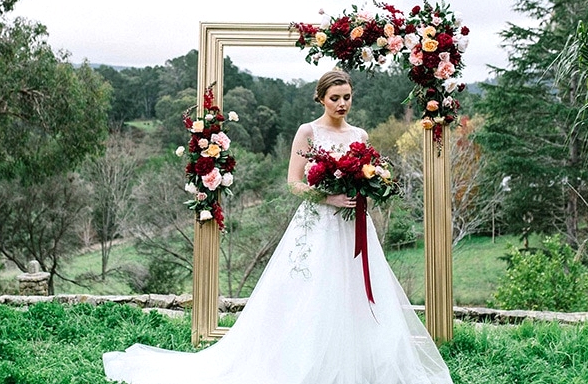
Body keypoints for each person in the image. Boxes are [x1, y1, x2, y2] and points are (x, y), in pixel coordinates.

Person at [103, 69, 454, 384]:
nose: (342, 104)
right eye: (335, 98)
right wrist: (327, 197)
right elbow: (293, 183)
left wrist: (369, 186)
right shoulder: (308, 131)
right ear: (321, 98)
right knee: (312, 293)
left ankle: (358, 365)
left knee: (355, 294)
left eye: (347, 97)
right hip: (317, 226)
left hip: (353, 225)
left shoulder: (359, 133)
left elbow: (369, 173)